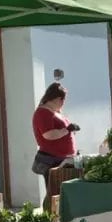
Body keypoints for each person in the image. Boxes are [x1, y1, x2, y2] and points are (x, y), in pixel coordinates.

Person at [32, 83, 80, 212]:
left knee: (62, 192)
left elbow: (62, 130)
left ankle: (61, 215)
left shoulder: (55, 112)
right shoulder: (43, 113)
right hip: (52, 159)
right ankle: (49, 217)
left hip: (62, 158)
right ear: (55, 98)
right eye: (62, 99)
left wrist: (71, 129)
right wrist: (66, 130)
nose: (63, 102)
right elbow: (48, 134)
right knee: (53, 192)